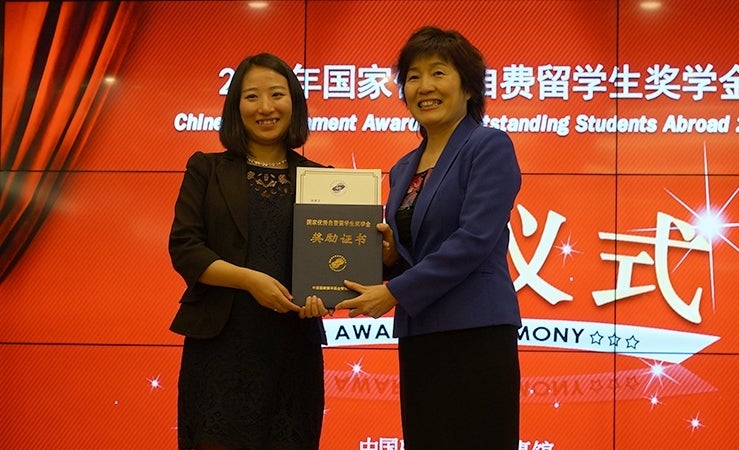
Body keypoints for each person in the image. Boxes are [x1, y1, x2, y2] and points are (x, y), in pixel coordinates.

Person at [336, 26, 522, 449]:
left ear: (469, 87)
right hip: (420, 333)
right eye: (413, 76)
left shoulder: (488, 146)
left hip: (475, 331)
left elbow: (474, 239)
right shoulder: (404, 167)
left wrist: (393, 292)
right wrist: (389, 260)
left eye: (439, 73)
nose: (425, 87)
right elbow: (418, 251)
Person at [168, 53, 330, 450]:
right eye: (251, 96)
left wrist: (325, 295)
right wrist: (248, 280)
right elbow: (185, 248)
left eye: (277, 94)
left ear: (294, 102)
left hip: (292, 350)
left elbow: (332, 262)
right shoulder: (206, 169)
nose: (265, 107)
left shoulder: (324, 179)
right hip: (221, 347)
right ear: (235, 106)